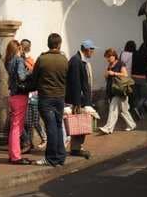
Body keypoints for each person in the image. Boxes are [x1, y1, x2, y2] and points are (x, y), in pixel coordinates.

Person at [30, 33, 69, 166]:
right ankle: (61, 156)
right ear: (59, 44)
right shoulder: (64, 60)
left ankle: (51, 157)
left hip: (46, 97)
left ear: (48, 44)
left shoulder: (42, 59)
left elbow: (34, 79)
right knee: (58, 125)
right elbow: (67, 79)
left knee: (51, 127)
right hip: (60, 97)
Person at [65, 40, 95, 159]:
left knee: (80, 124)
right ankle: (76, 148)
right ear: (87, 49)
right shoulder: (76, 61)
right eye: (92, 50)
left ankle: (77, 147)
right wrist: (77, 103)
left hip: (80, 99)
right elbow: (76, 83)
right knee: (79, 124)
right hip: (78, 100)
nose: (93, 52)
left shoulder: (79, 60)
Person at [6, 40, 32, 165]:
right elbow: (22, 77)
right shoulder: (19, 60)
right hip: (20, 95)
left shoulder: (9, 61)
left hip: (13, 95)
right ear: (18, 48)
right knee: (17, 127)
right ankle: (16, 156)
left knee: (14, 127)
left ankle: (13, 154)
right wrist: (30, 72)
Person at [99, 48, 136, 134]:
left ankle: (108, 128)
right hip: (113, 90)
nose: (108, 59)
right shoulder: (110, 65)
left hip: (120, 90)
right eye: (107, 57)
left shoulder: (120, 64)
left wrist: (114, 73)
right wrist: (106, 75)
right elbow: (107, 76)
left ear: (114, 56)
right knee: (123, 111)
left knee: (113, 109)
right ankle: (132, 125)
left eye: (109, 57)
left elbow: (125, 75)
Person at [20, 39, 46, 153]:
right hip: (28, 93)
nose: (24, 48)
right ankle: (29, 143)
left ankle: (43, 138)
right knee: (28, 121)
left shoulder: (30, 60)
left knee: (34, 120)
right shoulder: (21, 59)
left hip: (33, 94)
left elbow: (33, 73)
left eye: (25, 46)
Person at [131, 43, 147, 119]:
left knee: (137, 96)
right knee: (143, 97)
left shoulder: (134, 54)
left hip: (133, 77)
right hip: (142, 78)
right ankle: (137, 108)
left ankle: (140, 114)